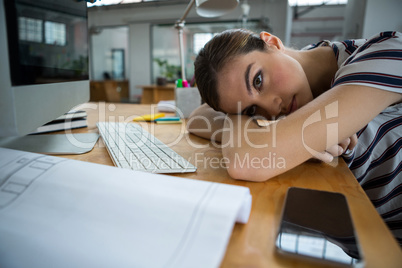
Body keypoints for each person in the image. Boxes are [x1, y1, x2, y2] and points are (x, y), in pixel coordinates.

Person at [187, 29, 402, 245]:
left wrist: (264, 133)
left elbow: (247, 160)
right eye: (252, 110)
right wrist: (244, 118)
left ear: (271, 42)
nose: (271, 109)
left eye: (258, 80)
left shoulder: (387, 53)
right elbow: (198, 117)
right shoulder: (297, 75)